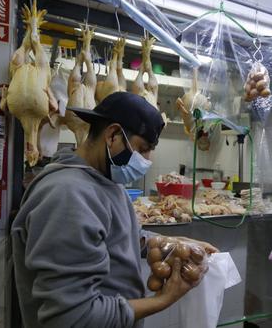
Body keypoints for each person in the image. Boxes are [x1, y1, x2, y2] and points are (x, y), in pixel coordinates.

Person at [11, 92, 217, 328]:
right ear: (113, 135)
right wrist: (164, 299)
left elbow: (114, 236)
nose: (146, 160)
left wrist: (165, 241)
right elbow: (71, 318)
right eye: (142, 148)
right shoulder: (67, 195)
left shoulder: (106, 182)